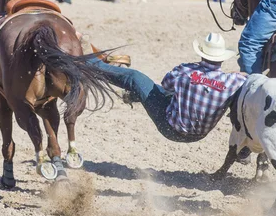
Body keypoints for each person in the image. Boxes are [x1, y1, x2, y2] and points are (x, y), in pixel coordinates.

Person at [83, 32, 247, 142]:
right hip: (199, 134)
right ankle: (133, 95)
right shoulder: (233, 81)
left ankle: (90, 63)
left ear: (202, 53)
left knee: (136, 78)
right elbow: (245, 81)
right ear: (222, 58)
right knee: (165, 92)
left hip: (171, 128)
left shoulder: (185, 70)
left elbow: (166, 85)